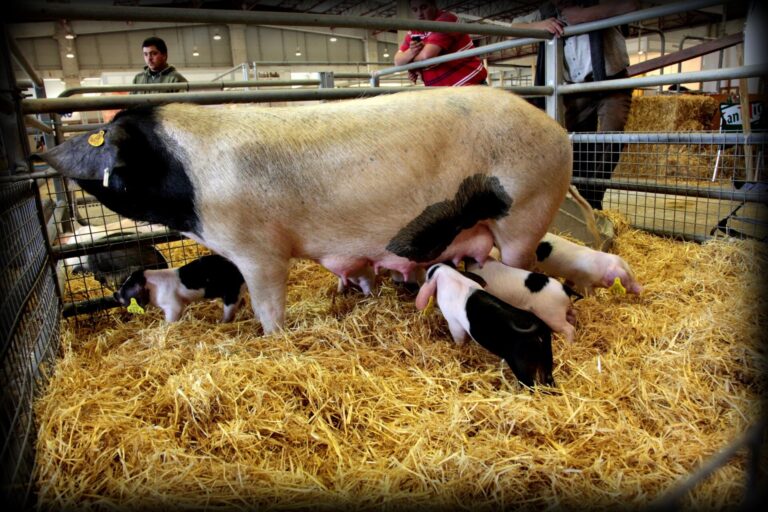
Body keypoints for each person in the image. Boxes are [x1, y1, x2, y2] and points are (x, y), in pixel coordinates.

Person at [513, 0, 639, 209]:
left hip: (611, 81)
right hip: (575, 89)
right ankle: (588, 201)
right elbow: (513, 27)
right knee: (577, 145)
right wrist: (541, 25)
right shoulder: (548, 11)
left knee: (612, 135)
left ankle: (592, 198)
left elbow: (631, 5)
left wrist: (586, 14)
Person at [393, 0, 488, 86]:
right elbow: (397, 61)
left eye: (424, 7)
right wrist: (412, 52)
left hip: (469, 85)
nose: (419, 14)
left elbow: (426, 56)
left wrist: (410, 64)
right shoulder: (414, 30)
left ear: (433, 4)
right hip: (441, 92)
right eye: (415, 10)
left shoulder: (446, 20)